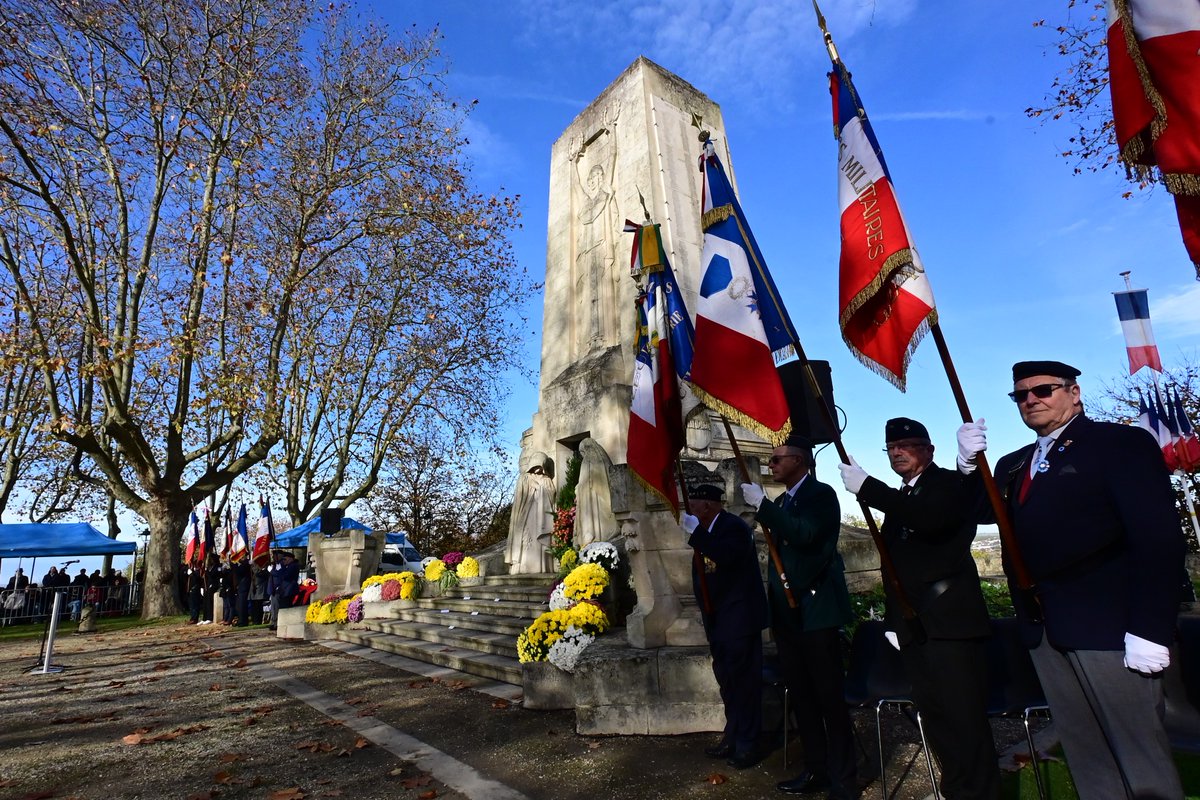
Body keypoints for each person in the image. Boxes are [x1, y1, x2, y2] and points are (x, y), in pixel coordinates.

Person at [958, 360, 1185, 798]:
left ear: (1074, 392)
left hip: (1111, 626)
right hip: (1045, 628)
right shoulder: (1012, 462)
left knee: (1140, 756)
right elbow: (984, 514)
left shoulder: (1118, 444)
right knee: (1087, 753)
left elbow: (1157, 539)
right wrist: (968, 468)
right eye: (1020, 395)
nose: (1031, 400)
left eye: (1043, 390)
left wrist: (1151, 628)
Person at [838, 417, 999, 799]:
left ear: (929, 450)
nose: (898, 452)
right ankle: (957, 791)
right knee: (940, 722)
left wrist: (870, 489)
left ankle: (980, 794)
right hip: (917, 627)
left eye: (908, 445)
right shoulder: (905, 495)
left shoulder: (946, 484)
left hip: (949, 625)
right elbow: (896, 566)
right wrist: (895, 619)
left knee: (965, 723)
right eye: (892, 447)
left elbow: (933, 521)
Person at [741, 435, 857, 799]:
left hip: (815, 612)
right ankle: (817, 770)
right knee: (803, 699)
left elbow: (806, 535)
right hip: (788, 616)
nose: (772, 465)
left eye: (777, 460)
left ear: (799, 461)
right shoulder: (782, 500)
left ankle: (844, 779)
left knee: (829, 700)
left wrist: (764, 507)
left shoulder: (820, 496)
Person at [681, 483, 768, 770]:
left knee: (744, 685)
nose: (689, 509)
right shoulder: (707, 531)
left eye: (693, 503)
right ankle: (733, 736)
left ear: (707, 505)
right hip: (718, 621)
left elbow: (726, 557)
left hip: (739, 620)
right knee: (728, 684)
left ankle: (749, 744)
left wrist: (696, 534)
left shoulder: (733, 528)